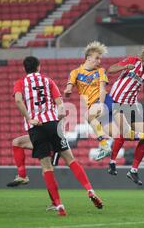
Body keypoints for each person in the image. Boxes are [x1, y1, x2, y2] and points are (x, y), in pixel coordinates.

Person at [13, 56, 103, 216]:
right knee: (71, 159)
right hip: (53, 124)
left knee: (47, 167)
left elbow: (19, 101)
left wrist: (29, 118)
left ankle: (59, 206)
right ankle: (90, 190)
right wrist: (57, 121)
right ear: (39, 67)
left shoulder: (20, 83)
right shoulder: (48, 81)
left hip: (36, 127)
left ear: (24, 68)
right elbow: (61, 106)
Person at [106, 45, 144, 185]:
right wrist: (124, 67)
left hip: (131, 106)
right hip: (115, 101)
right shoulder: (133, 61)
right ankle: (112, 162)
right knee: (125, 133)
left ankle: (133, 170)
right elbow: (110, 70)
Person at [64, 41, 114, 161]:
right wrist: (68, 91)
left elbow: (102, 89)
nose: (99, 61)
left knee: (88, 115)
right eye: (97, 58)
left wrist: (101, 105)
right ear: (88, 58)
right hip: (95, 105)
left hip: (104, 101)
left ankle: (104, 145)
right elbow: (69, 88)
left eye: (100, 59)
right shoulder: (75, 73)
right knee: (117, 133)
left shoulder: (100, 71)